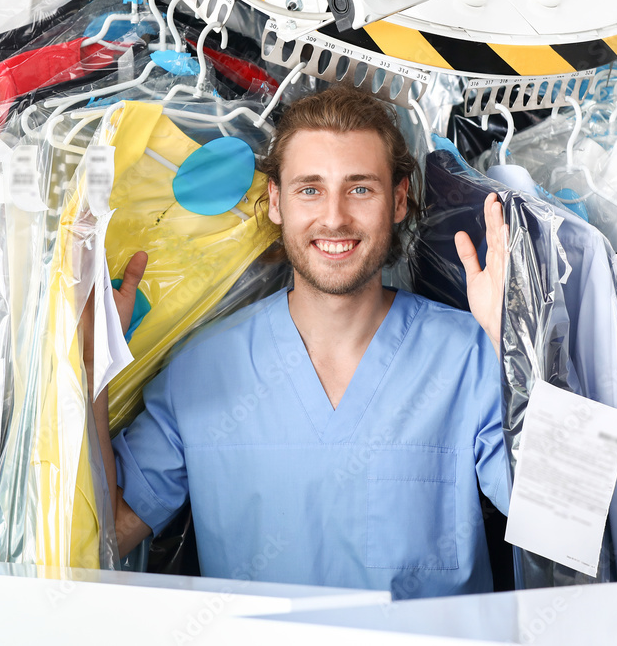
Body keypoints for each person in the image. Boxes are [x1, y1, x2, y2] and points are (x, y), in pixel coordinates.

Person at [90, 85, 510, 598]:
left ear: (399, 200)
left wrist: (520, 353)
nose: (334, 217)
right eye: (309, 189)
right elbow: (105, 535)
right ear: (276, 202)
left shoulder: (468, 355)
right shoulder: (201, 369)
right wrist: (91, 367)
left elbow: (574, 521)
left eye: (360, 189)